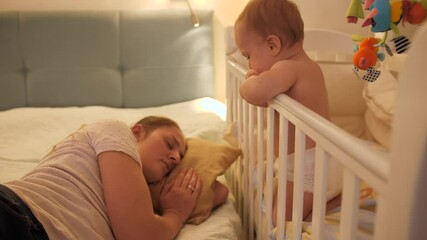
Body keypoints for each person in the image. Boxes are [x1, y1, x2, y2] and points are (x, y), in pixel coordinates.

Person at [0, 116, 228, 240]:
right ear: (137, 132)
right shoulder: (115, 131)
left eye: (180, 157)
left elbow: (220, 192)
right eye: (170, 144)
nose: (176, 157)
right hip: (19, 215)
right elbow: (139, 236)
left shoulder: (142, 196)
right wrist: (176, 214)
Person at [234, 0, 342, 225]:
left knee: (279, 220)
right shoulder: (309, 67)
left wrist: (247, 82)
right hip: (324, 159)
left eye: (247, 55)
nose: (249, 64)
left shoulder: (287, 68)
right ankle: (327, 205)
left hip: (305, 167)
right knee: (298, 205)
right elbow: (267, 100)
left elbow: (256, 92)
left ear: (273, 45)